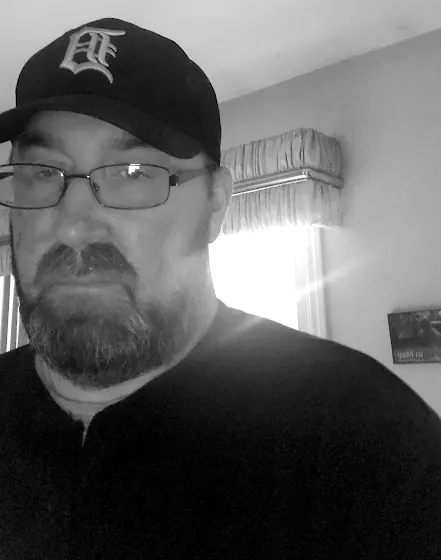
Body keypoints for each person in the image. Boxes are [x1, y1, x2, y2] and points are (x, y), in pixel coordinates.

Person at [0, 17, 440, 560]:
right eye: (42, 172)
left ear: (215, 204)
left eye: (134, 172)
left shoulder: (369, 441)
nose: (73, 227)